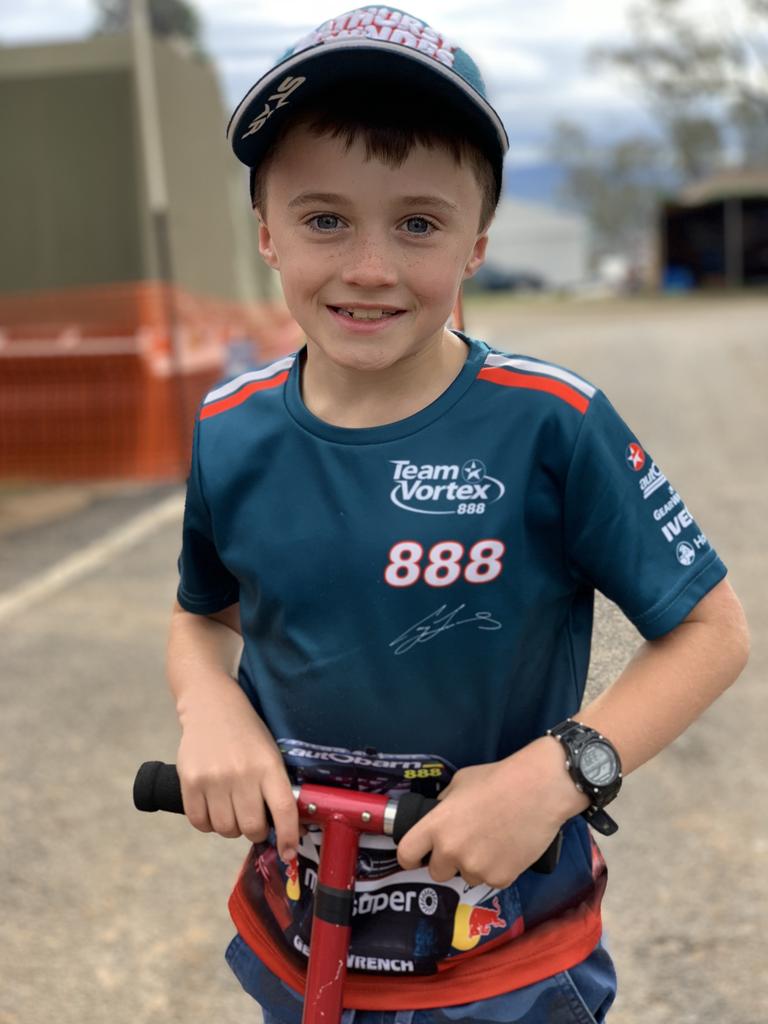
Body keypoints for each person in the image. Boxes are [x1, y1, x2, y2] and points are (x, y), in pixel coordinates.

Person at [168, 8, 750, 1023]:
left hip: (505, 959)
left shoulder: (551, 425)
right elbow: (200, 612)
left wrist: (557, 775)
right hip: (300, 935)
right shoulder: (230, 426)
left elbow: (713, 631)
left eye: (419, 223)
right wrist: (209, 707)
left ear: (477, 242)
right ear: (265, 230)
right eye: (324, 219)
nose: (370, 266)